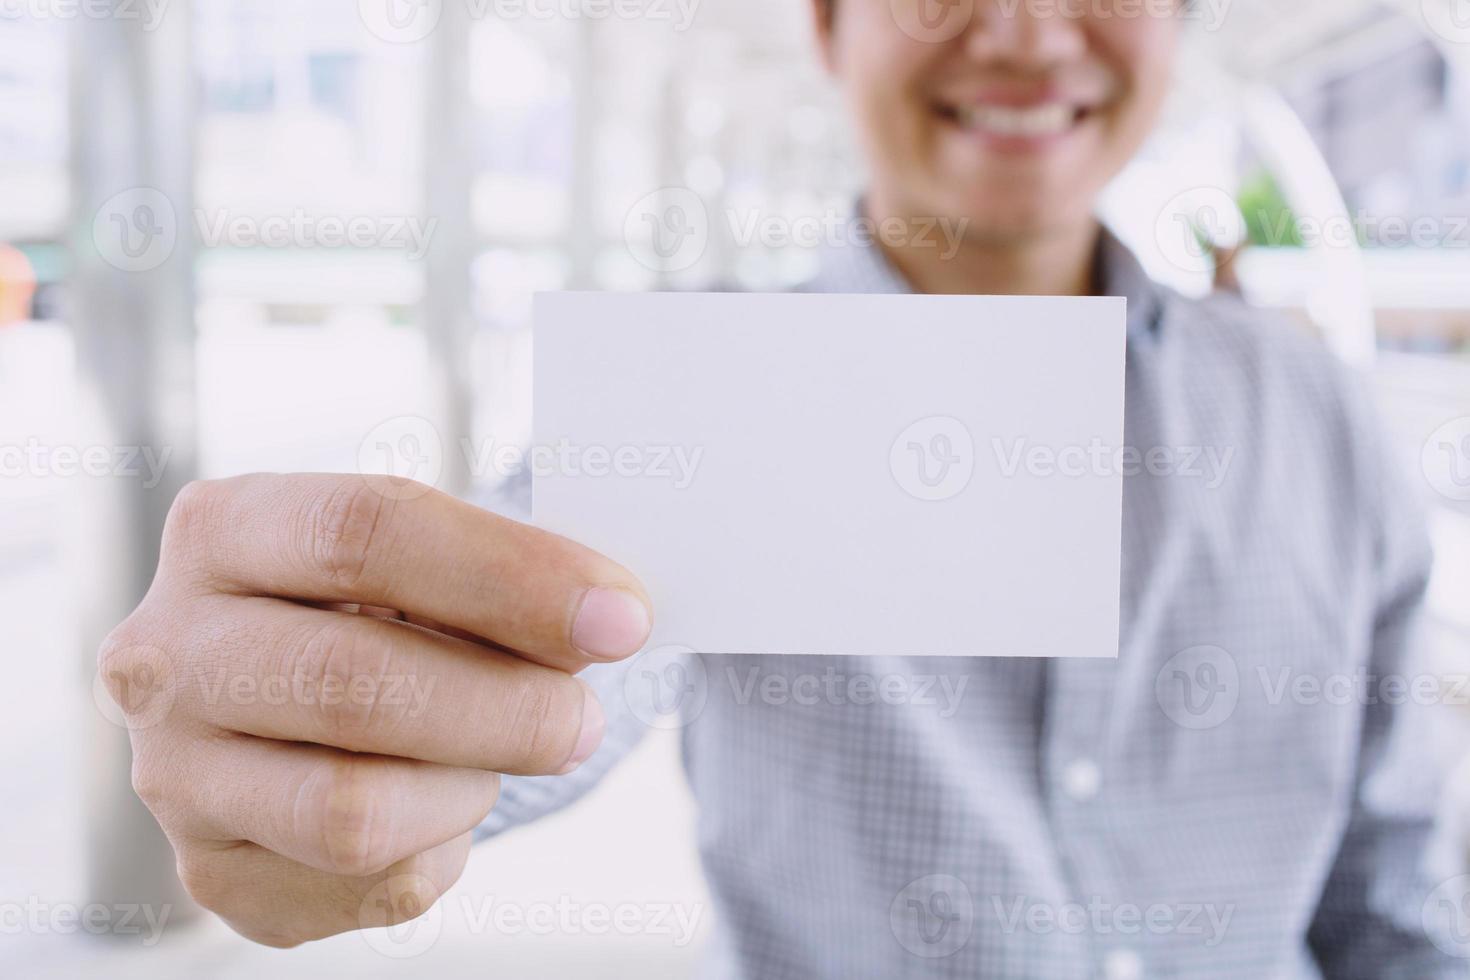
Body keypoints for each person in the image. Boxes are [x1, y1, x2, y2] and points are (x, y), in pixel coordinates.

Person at [100, 0, 1461, 974]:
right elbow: (549, 658)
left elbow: (1399, 898)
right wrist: (342, 724)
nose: (1030, 29)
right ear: (826, 26)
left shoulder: (1316, 416)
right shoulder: (706, 392)